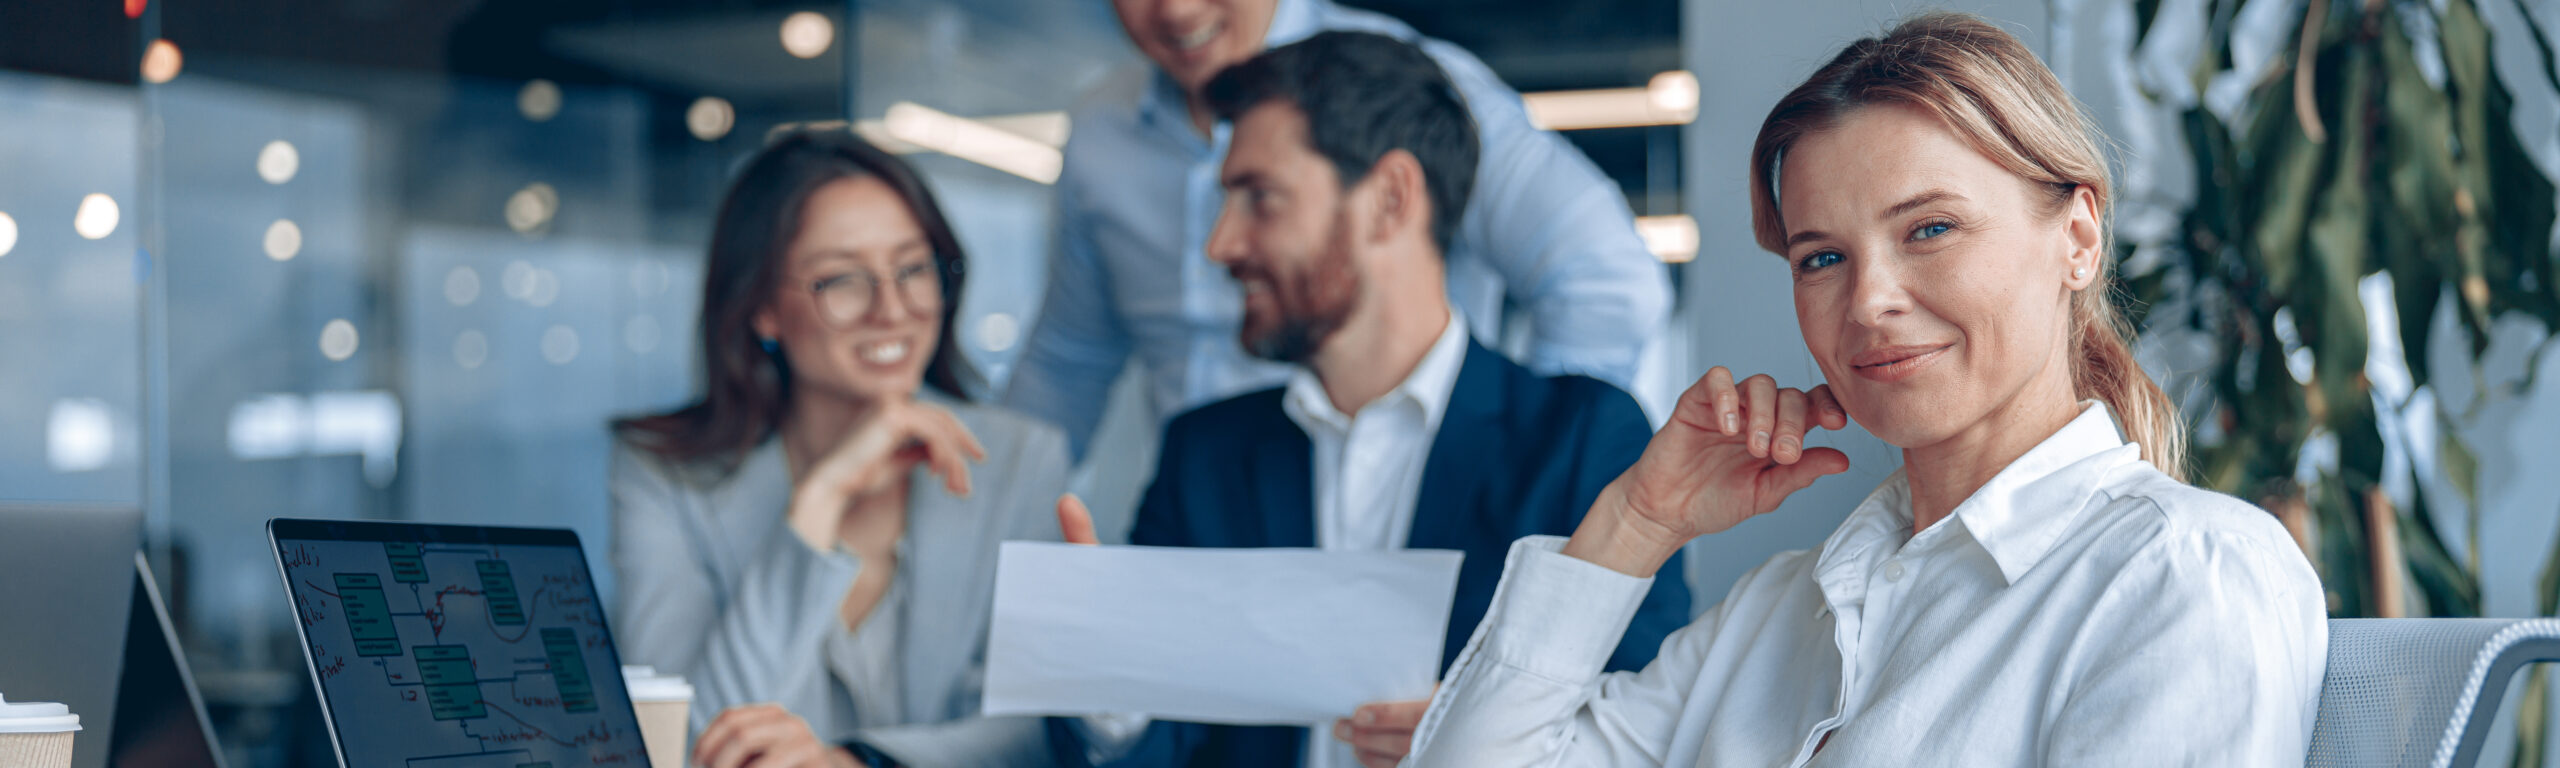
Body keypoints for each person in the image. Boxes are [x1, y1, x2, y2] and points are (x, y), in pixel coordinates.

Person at [1400, 13, 2328, 767]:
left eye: (1929, 229)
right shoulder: (1778, 611)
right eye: (1823, 257)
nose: (1870, 302)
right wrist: (1642, 521)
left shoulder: (2178, 575)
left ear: (2078, 238)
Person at [1050, 32, 1692, 768]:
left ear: (1389, 199)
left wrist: (1483, 740)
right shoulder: (1205, 454)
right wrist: (1108, 672)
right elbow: (1163, 747)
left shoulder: (1581, 440)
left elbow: (1648, 726)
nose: (1220, 245)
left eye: (1259, 198)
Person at [1007, 0, 1672, 460]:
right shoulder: (1101, 135)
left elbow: (1605, 278)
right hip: (1206, 530)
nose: (1177, 10)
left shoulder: (1403, 87)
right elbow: (1069, 365)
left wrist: (1517, 471)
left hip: (1404, 531)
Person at [609, 131, 1073, 768]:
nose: (891, 310)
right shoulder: (663, 476)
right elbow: (685, 747)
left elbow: (1037, 733)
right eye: (842, 280)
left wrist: (857, 764)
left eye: (913, 269)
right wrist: (818, 503)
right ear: (763, 309)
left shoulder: (1022, 460)